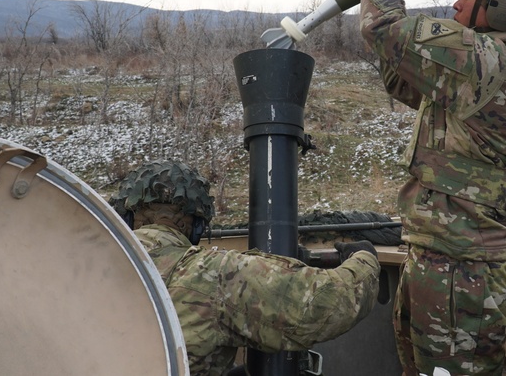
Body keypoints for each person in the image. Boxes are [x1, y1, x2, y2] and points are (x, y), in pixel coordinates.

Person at [359, 0, 506, 375]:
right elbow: (399, 74)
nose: (456, 6)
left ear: (504, 6)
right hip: (446, 261)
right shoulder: (486, 67)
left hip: (462, 275)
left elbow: (382, 30)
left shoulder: (491, 65)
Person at [109, 159, 381, 376]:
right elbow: (329, 304)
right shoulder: (213, 274)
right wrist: (363, 258)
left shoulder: (84, 269)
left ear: (127, 216)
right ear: (199, 227)